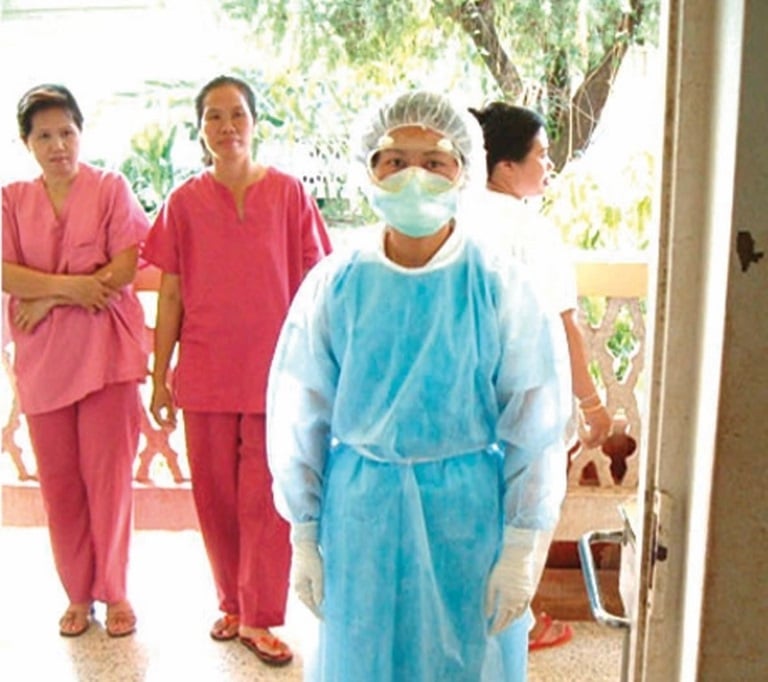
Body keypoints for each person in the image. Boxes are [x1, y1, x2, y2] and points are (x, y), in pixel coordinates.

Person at [266, 90, 570, 681]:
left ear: (465, 170)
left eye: (434, 162)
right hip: (361, 515)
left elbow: (535, 420)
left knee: (463, 660)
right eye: (394, 160)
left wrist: (519, 545)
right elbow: (301, 411)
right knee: (365, 660)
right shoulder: (336, 284)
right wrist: (304, 531)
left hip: (467, 517)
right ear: (370, 170)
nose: (413, 177)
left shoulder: (498, 284)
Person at [143, 74, 332, 667]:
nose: (227, 127)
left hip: (278, 376)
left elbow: (317, 286)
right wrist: (159, 375)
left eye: (237, 115)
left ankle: (259, 616)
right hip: (204, 373)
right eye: (214, 117)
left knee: (267, 501)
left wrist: (322, 367)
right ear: (200, 128)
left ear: (255, 123)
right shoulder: (183, 203)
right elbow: (169, 294)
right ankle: (232, 602)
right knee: (216, 498)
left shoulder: (288, 194)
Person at [2, 84, 148, 637]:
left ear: (81, 133)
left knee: (109, 481)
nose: (58, 145)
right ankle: (78, 595)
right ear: (27, 143)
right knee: (60, 486)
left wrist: (46, 297)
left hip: (107, 357)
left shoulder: (110, 188)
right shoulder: (11, 200)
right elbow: (6, 273)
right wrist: (70, 289)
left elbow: (126, 264)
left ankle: (116, 592)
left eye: (66, 132)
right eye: (44, 136)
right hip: (44, 363)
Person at [468, 101, 613, 651]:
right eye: (542, 155)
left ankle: (477, 618)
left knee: (477, 509)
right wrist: (593, 405)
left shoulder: (455, 219)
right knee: (525, 510)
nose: (549, 165)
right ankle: (516, 623)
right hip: (526, 396)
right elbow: (566, 325)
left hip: (467, 395)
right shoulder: (530, 230)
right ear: (507, 166)